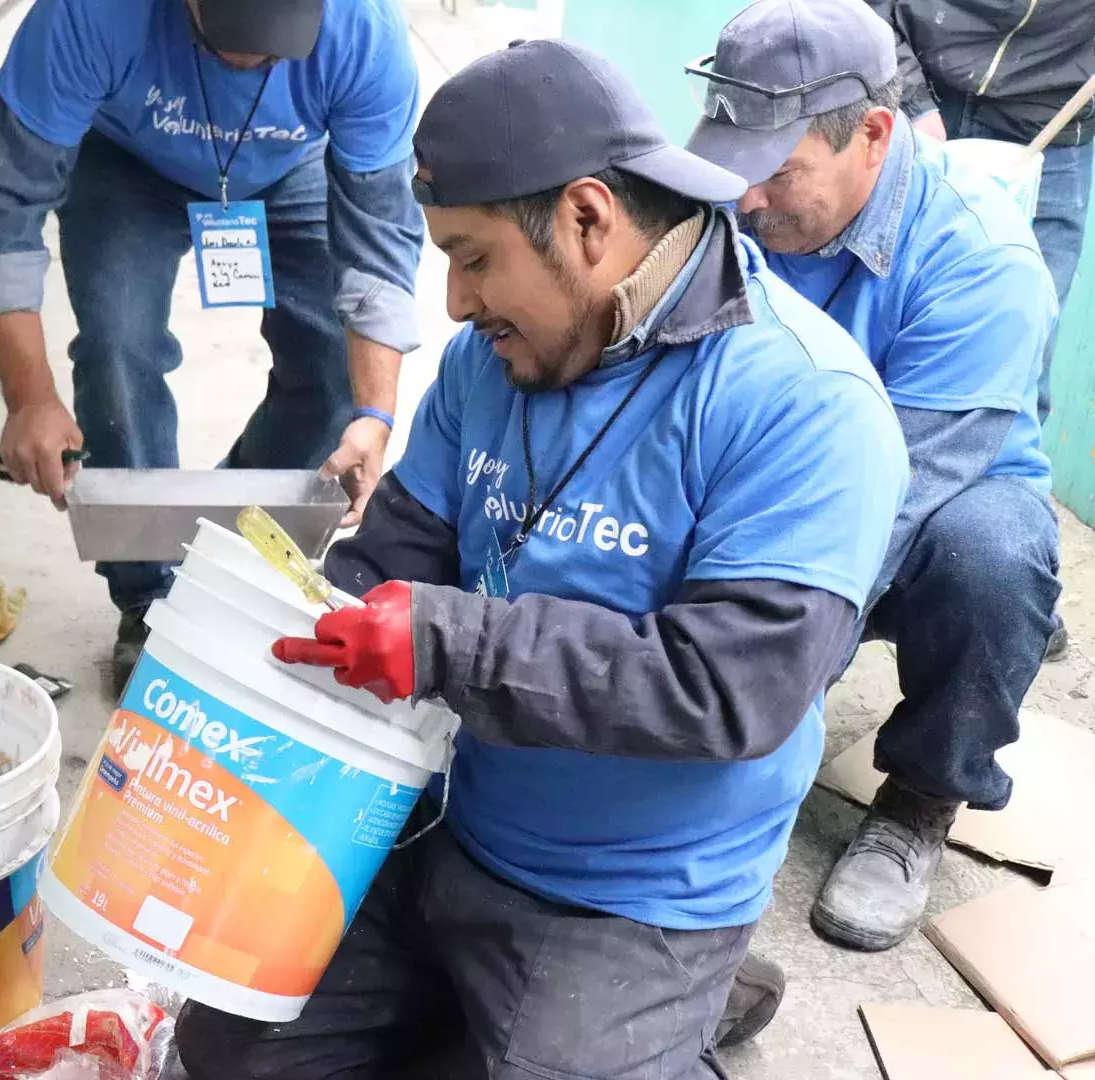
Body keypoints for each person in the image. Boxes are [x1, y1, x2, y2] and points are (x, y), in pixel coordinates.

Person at [176, 39, 907, 1080]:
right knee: (222, 1053)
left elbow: (731, 688)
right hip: (446, 823)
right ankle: (596, 1008)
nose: (458, 308)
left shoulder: (804, 403)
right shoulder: (491, 362)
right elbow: (395, 555)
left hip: (635, 892)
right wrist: (258, 659)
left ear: (588, 218)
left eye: (474, 260)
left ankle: (686, 992)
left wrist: (447, 641)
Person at [686, 0, 1062, 1019]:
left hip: (925, 501)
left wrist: (754, 678)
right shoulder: (730, 201)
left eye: (781, 168)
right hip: (761, 468)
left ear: (877, 135)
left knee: (996, 558)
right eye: (736, 160)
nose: (750, 195)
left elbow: (884, 509)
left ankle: (926, 794)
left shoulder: (984, 266)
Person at [0, 0, 424, 681]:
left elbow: (381, 240)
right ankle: (147, 595)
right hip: (125, 165)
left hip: (292, 169)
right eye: (228, 37)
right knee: (117, 352)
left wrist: (376, 414)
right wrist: (29, 398)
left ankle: (227, 550)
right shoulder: (88, 15)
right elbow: (3, 203)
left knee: (337, 372)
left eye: (274, 48)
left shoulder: (365, 34)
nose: (248, 61)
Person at [861, 0, 1095, 426]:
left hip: (1052, 124)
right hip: (917, 94)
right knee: (871, 319)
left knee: (1020, 362)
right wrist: (913, 101)